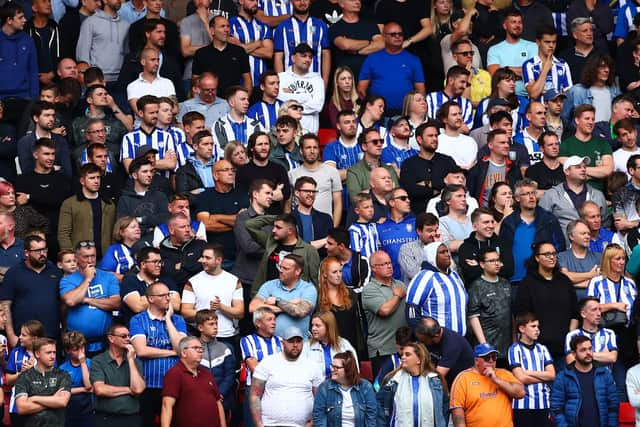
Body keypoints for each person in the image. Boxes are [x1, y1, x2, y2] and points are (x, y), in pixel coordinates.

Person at [130, 282, 188, 427]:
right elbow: (142, 351)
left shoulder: (178, 320)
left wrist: (168, 319)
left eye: (169, 295)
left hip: (174, 385)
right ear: (150, 299)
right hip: (148, 384)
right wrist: (172, 352)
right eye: (162, 295)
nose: (168, 298)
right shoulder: (138, 320)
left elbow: (180, 348)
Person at [513, 241, 579, 366]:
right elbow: (521, 315)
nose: (552, 257)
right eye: (547, 254)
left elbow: (575, 312)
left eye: (554, 253)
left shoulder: (564, 281)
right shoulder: (528, 283)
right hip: (537, 348)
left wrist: (570, 336)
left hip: (564, 348)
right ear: (537, 257)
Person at [249, 325, 324, 427]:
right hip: (270, 424)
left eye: (298, 341)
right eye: (291, 341)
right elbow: (255, 394)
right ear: (283, 343)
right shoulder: (268, 362)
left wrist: (313, 423)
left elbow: (320, 399)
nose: (295, 345)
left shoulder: (312, 366)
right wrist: (259, 423)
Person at [500, 179, 566, 287]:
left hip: (543, 280)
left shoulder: (549, 220)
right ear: (517, 198)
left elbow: (559, 247)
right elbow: (503, 251)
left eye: (533, 193)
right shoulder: (509, 222)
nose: (531, 197)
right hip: (515, 281)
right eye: (526, 194)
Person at [60, 241, 121, 355]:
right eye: (85, 257)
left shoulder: (108, 277)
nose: (90, 260)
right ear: (77, 258)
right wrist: (88, 279)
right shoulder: (68, 280)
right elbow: (71, 300)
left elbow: (116, 303)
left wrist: (86, 299)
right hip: (76, 343)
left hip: (105, 342)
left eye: (93, 256)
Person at [0, 235, 62, 346]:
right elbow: (5, 305)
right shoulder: (14, 273)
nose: (43, 253)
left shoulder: (55, 272)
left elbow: (62, 304)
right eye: (38, 251)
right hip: (24, 338)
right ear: (27, 253)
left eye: (44, 249)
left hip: (51, 337)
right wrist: (11, 335)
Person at [181, 244, 244, 345]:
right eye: (202, 257)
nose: (203, 260)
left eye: (207, 258)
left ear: (218, 260)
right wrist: (207, 311)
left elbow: (240, 312)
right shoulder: (192, 282)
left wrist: (221, 307)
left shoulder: (234, 281)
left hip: (227, 336)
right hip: (201, 337)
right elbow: (185, 312)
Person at [450, 343, 526, 426]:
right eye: (487, 358)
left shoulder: (504, 374)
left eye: (494, 357)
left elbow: (521, 393)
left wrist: (496, 379)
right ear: (476, 360)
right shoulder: (463, 378)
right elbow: (457, 412)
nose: (491, 361)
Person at [550, 335, 619, 427]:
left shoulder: (604, 374)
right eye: (583, 350)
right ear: (574, 354)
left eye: (590, 349)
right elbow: (556, 408)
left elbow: (613, 405)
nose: (588, 353)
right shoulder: (562, 377)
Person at [540, 155, 608, 247]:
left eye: (584, 167)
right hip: (563, 251)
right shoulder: (551, 195)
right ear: (567, 171)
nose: (583, 169)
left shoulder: (597, 195)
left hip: (594, 251)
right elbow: (541, 224)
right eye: (578, 167)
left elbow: (605, 224)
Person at [357, 22, 425, 113]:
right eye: (393, 34)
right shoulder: (372, 59)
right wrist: (371, 110)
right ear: (384, 37)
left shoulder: (414, 60)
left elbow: (420, 90)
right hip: (378, 115)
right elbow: (361, 89)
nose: (397, 37)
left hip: (405, 114)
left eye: (400, 34)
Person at [377, 342, 449, 427]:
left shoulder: (435, 381)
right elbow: (380, 407)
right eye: (402, 354)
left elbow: (444, 409)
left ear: (419, 359)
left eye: (407, 355)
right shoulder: (393, 380)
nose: (403, 357)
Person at [160, 336, 227, 427]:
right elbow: (166, 406)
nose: (200, 351)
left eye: (201, 348)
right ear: (184, 352)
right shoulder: (174, 374)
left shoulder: (206, 373)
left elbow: (218, 403)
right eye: (196, 348)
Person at [194, 160, 249, 267]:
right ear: (215, 175)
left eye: (232, 170)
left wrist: (216, 217)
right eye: (226, 170)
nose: (231, 173)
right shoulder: (205, 196)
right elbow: (205, 224)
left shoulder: (242, 194)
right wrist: (237, 221)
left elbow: (247, 221)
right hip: (215, 258)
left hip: (240, 256)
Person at [90, 324, 146, 427]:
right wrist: (129, 390)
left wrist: (130, 359)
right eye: (123, 336)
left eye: (129, 336)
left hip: (131, 418)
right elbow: (100, 390)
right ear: (111, 338)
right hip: (105, 419)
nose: (128, 339)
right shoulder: (98, 361)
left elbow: (138, 389)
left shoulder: (135, 362)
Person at [249, 253, 317, 337]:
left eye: (286, 268)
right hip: (271, 343)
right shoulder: (269, 285)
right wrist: (290, 304)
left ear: (297, 271)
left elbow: (301, 311)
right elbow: (252, 308)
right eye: (280, 267)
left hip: (299, 344)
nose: (281, 270)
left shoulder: (308, 289)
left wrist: (276, 301)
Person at [246, 213, 320, 290]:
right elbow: (249, 225)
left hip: (292, 298)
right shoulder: (270, 242)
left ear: (290, 230)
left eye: (278, 227)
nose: (273, 230)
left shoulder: (308, 250)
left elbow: (314, 282)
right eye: (274, 226)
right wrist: (276, 218)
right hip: (266, 295)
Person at [361, 250, 407, 376]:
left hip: (404, 348)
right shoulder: (369, 289)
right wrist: (397, 295)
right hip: (383, 349)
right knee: (384, 389)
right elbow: (384, 310)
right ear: (374, 268)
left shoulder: (400, 284)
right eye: (384, 264)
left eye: (390, 263)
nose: (389, 266)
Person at [58, 163, 116, 259]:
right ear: (82, 181)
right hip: (79, 259)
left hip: (105, 259)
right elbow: (63, 234)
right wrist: (71, 258)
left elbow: (114, 234)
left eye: (98, 177)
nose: (96, 181)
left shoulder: (109, 204)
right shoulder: (69, 204)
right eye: (92, 178)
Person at [406, 241, 467, 332]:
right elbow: (411, 310)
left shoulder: (454, 275)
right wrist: (425, 337)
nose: (447, 255)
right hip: (437, 340)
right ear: (432, 256)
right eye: (442, 252)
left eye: (447, 251)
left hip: (460, 339)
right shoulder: (424, 277)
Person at [508, 312, 556, 427]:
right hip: (522, 405)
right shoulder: (514, 349)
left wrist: (529, 372)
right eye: (533, 326)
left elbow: (552, 375)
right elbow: (521, 378)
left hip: (543, 403)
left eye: (538, 326)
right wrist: (543, 377)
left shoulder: (542, 349)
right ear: (522, 329)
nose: (537, 330)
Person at [400, 121, 457, 214]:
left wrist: (426, 184)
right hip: (418, 214)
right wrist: (436, 189)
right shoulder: (409, 164)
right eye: (430, 136)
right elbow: (410, 190)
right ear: (419, 139)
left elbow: (454, 185)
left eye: (436, 136)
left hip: (446, 214)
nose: (435, 139)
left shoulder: (447, 161)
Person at [468, 247, 512, 363]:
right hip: (488, 347)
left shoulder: (505, 283)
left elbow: (512, 314)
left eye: (498, 260)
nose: (497, 263)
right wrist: (483, 344)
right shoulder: (476, 286)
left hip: (507, 346)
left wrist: (515, 341)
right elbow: (473, 317)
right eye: (492, 261)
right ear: (482, 264)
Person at [240, 306, 282, 427]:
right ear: (258, 323)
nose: (274, 323)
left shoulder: (281, 341)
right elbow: (254, 368)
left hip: (276, 389)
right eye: (269, 319)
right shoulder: (247, 340)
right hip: (255, 390)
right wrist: (276, 369)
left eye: (274, 319)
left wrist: (262, 364)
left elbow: (287, 366)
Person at [14, 337, 71, 427]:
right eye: (48, 353)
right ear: (37, 354)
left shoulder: (63, 375)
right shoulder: (24, 377)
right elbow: (22, 408)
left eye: (54, 352)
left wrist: (34, 398)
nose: (53, 356)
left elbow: (62, 401)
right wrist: (52, 399)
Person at [273, 0, 331, 87]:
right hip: (290, 84)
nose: (302, 2)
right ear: (291, 1)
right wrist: (281, 83)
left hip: (315, 83)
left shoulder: (321, 25)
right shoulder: (282, 26)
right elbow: (278, 57)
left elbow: (326, 55)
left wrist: (324, 83)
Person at [317, 257, 365, 358]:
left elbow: (357, 323)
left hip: (351, 347)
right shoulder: (318, 296)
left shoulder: (351, 294)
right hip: (328, 348)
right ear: (325, 274)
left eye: (340, 271)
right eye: (334, 272)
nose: (339, 275)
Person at [289, 134, 342, 225]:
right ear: (301, 151)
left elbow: (338, 204)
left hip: (326, 225)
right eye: (308, 148)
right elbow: (288, 205)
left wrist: (333, 229)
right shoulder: (292, 174)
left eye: (315, 147)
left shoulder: (332, 172)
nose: (312, 151)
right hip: (300, 226)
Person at [313, 350, 376, 427]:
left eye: (337, 367)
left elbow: (371, 418)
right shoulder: (324, 388)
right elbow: (319, 418)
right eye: (332, 366)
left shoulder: (366, 387)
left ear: (348, 369)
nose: (332, 369)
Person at [119, 247, 181, 325]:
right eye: (155, 262)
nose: (159, 265)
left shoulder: (167, 281)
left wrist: (146, 299)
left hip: (166, 327)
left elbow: (176, 305)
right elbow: (138, 307)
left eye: (160, 262)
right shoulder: (129, 281)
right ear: (143, 264)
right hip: (139, 327)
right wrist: (164, 299)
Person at [559, 104, 613, 192]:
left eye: (593, 119)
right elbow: (565, 170)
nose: (591, 122)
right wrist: (595, 172)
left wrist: (578, 170)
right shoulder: (565, 145)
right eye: (587, 119)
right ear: (577, 120)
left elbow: (607, 170)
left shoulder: (602, 144)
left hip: (597, 194)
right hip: (572, 194)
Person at [192, 16, 252, 95]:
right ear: (212, 31)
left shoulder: (239, 51)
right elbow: (195, 81)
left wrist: (244, 99)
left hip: (233, 103)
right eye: (222, 26)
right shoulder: (201, 54)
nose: (226, 30)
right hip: (209, 103)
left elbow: (247, 79)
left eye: (228, 26)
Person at [236, 132, 292, 215]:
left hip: (275, 219)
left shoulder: (279, 169)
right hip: (252, 219)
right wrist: (272, 196)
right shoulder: (242, 171)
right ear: (252, 148)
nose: (264, 147)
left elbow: (286, 193)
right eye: (260, 144)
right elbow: (242, 199)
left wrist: (258, 198)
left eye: (266, 144)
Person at [120, 96, 177, 175]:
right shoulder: (129, 138)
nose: (155, 116)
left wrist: (138, 162)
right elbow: (129, 167)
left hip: (162, 184)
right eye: (151, 113)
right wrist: (161, 162)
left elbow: (171, 164)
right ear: (140, 113)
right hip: (137, 186)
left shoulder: (167, 136)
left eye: (157, 112)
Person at [76, 0, 130, 84]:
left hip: (121, 79)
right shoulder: (90, 22)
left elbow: (127, 54)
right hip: (97, 79)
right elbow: (83, 55)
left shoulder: (126, 25)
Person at [486, 8, 537, 98]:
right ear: (505, 26)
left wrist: (506, 69)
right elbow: (496, 76)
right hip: (503, 98)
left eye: (520, 22)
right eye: (513, 22)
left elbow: (534, 73)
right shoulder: (494, 50)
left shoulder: (533, 46)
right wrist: (523, 72)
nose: (517, 25)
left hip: (529, 96)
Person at [117, 158, 169, 242]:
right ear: (134, 175)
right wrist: (149, 228)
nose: (150, 175)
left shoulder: (160, 196)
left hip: (159, 243)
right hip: (134, 245)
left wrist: (141, 220)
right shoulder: (125, 199)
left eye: (151, 171)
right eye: (145, 172)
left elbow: (165, 219)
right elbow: (124, 225)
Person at [277, 43, 326, 133]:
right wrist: (307, 97)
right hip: (286, 133)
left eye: (310, 57)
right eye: (304, 56)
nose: (308, 59)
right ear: (293, 58)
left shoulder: (317, 79)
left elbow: (318, 106)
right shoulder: (281, 78)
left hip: (310, 134)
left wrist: (292, 103)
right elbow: (282, 105)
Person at [0, 2, 38, 117]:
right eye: (20, 17)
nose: (25, 20)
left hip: (24, 99)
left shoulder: (28, 40)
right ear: (9, 20)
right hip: (1, 101)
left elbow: (33, 71)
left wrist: (34, 100)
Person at [328, 0, 382, 81]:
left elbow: (381, 44)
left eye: (359, 0)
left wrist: (357, 51)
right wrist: (369, 42)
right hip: (346, 80)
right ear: (341, 4)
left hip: (370, 78)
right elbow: (346, 45)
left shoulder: (370, 24)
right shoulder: (335, 27)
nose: (357, 2)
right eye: (352, 0)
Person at [414, 316, 474, 389]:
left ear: (436, 336)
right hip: (446, 380)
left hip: (463, 385)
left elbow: (438, 376)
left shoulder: (452, 344)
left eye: (424, 341)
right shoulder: (431, 335)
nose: (422, 343)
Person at [195, 309, 235, 414]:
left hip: (223, 400)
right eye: (211, 324)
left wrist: (219, 393)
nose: (216, 327)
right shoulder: (192, 347)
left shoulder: (226, 348)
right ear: (200, 327)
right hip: (198, 400)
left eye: (216, 324)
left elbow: (230, 375)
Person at [468, 129, 522, 207]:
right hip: (484, 214)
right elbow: (471, 195)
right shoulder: (479, 168)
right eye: (502, 143)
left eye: (508, 143)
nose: (507, 146)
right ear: (490, 145)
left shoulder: (513, 169)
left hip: (507, 214)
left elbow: (518, 195)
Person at [562, 55, 620, 127]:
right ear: (593, 69)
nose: (607, 70)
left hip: (608, 135)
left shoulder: (615, 92)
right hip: (584, 136)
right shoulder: (577, 91)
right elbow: (564, 119)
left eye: (608, 67)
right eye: (602, 67)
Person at [17, 101, 72, 177]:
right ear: (36, 118)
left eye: (53, 115)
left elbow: (67, 172)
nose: (51, 119)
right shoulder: (24, 142)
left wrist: (41, 169)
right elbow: (27, 171)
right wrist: (53, 168)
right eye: (47, 115)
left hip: (58, 184)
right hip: (34, 186)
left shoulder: (61, 141)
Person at [158, 214, 206, 292]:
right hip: (174, 293)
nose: (187, 230)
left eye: (188, 226)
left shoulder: (200, 244)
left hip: (201, 290)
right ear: (171, 230)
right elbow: (169, 276)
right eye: (183, 227)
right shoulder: (161, 250)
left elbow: (205, 267)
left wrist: (182, 265)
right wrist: (193, 265)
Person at [522, 25, 573, 101]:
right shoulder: (529, 65)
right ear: (538, 42)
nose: (551, 45)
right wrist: (545, 69)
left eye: (554, 42)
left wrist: (542, 91)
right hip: (537, 111)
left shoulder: (563, 64)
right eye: (547, 42)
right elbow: (534, 94)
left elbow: (569, 95)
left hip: (559, 111)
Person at [565, 297, 618, 368]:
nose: (599, 313)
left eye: (600, 309)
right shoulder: (572, 335)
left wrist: (581, 354)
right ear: (583, 314)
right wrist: (602, 355)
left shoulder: (609, 333)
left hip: (604, 378)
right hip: (581, 378)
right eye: (594, 310)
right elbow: (571, 361)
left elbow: (612, 357)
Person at [376, 188, 417, 280]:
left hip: (415, 278)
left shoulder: (416, 223)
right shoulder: (380, 227)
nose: (408, 201)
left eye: (408, 198)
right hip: (391, 281)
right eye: (403, 198)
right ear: (392, 203)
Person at [304, 311, 358, 379]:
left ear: (328, 327)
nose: (313, 328)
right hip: (315, 388)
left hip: (340, 387)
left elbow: (354, 371)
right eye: (312, 325)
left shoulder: (344, 345)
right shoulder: (306, 347)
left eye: (318, 325)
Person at [557, 220, 603, 300]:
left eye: (588, 233)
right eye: (583, 233)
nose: (587, 236)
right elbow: (564, 278)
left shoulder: (599, 257)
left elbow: (600, 282)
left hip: (594, 306)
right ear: (571, 236)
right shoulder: (562, 257)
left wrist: (572, 283)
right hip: (570, 305)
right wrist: (591, 274)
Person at [125, 48, 176, 116]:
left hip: (165, 125)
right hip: (142, 126)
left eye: (158, 60)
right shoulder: (133, 86)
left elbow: (175, 109)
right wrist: (164, 110)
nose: (157, 63)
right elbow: (140, 112)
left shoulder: (167, 83)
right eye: (153, 60)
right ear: (143, 62)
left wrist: (151, 110)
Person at [59, 331, 92, 427]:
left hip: (88, 411)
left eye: (82, 348)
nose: (81, 352)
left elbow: (88, 385)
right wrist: (82, 389)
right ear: (68, 351)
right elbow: (63, 390)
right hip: (70, 411)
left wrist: (83, 363)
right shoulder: (63, 368)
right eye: (76, 349)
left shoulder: (91, 363)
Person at [426, 66, 473, 131]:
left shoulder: (467, 104)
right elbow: (429, 123)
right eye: (462, 82)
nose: (465, 86)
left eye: (466, 83)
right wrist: (454, 128)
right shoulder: (430, 98)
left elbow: (466, 129)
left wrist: (443, 128)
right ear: (451, 80)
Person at [436, 101, 477, 170]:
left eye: (460, 114)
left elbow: (474, 164)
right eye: (454, 115)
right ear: (445, 119)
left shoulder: (470, 141)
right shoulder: (438, 141)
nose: (459, 117)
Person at [524, 131, 565, 195]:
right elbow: (530, 194)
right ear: (542, 148)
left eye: (557, 144)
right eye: (550, 145)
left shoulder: (566, 170)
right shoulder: (532, 171)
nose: (554, 147)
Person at [438, 185, 473, 255]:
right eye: (459, 196)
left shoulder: (474, 219)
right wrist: (476, 241)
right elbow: (449, 246)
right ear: (448, 201)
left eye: (464, 196)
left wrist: (458, 242)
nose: (463, 199)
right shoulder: (442, 222)